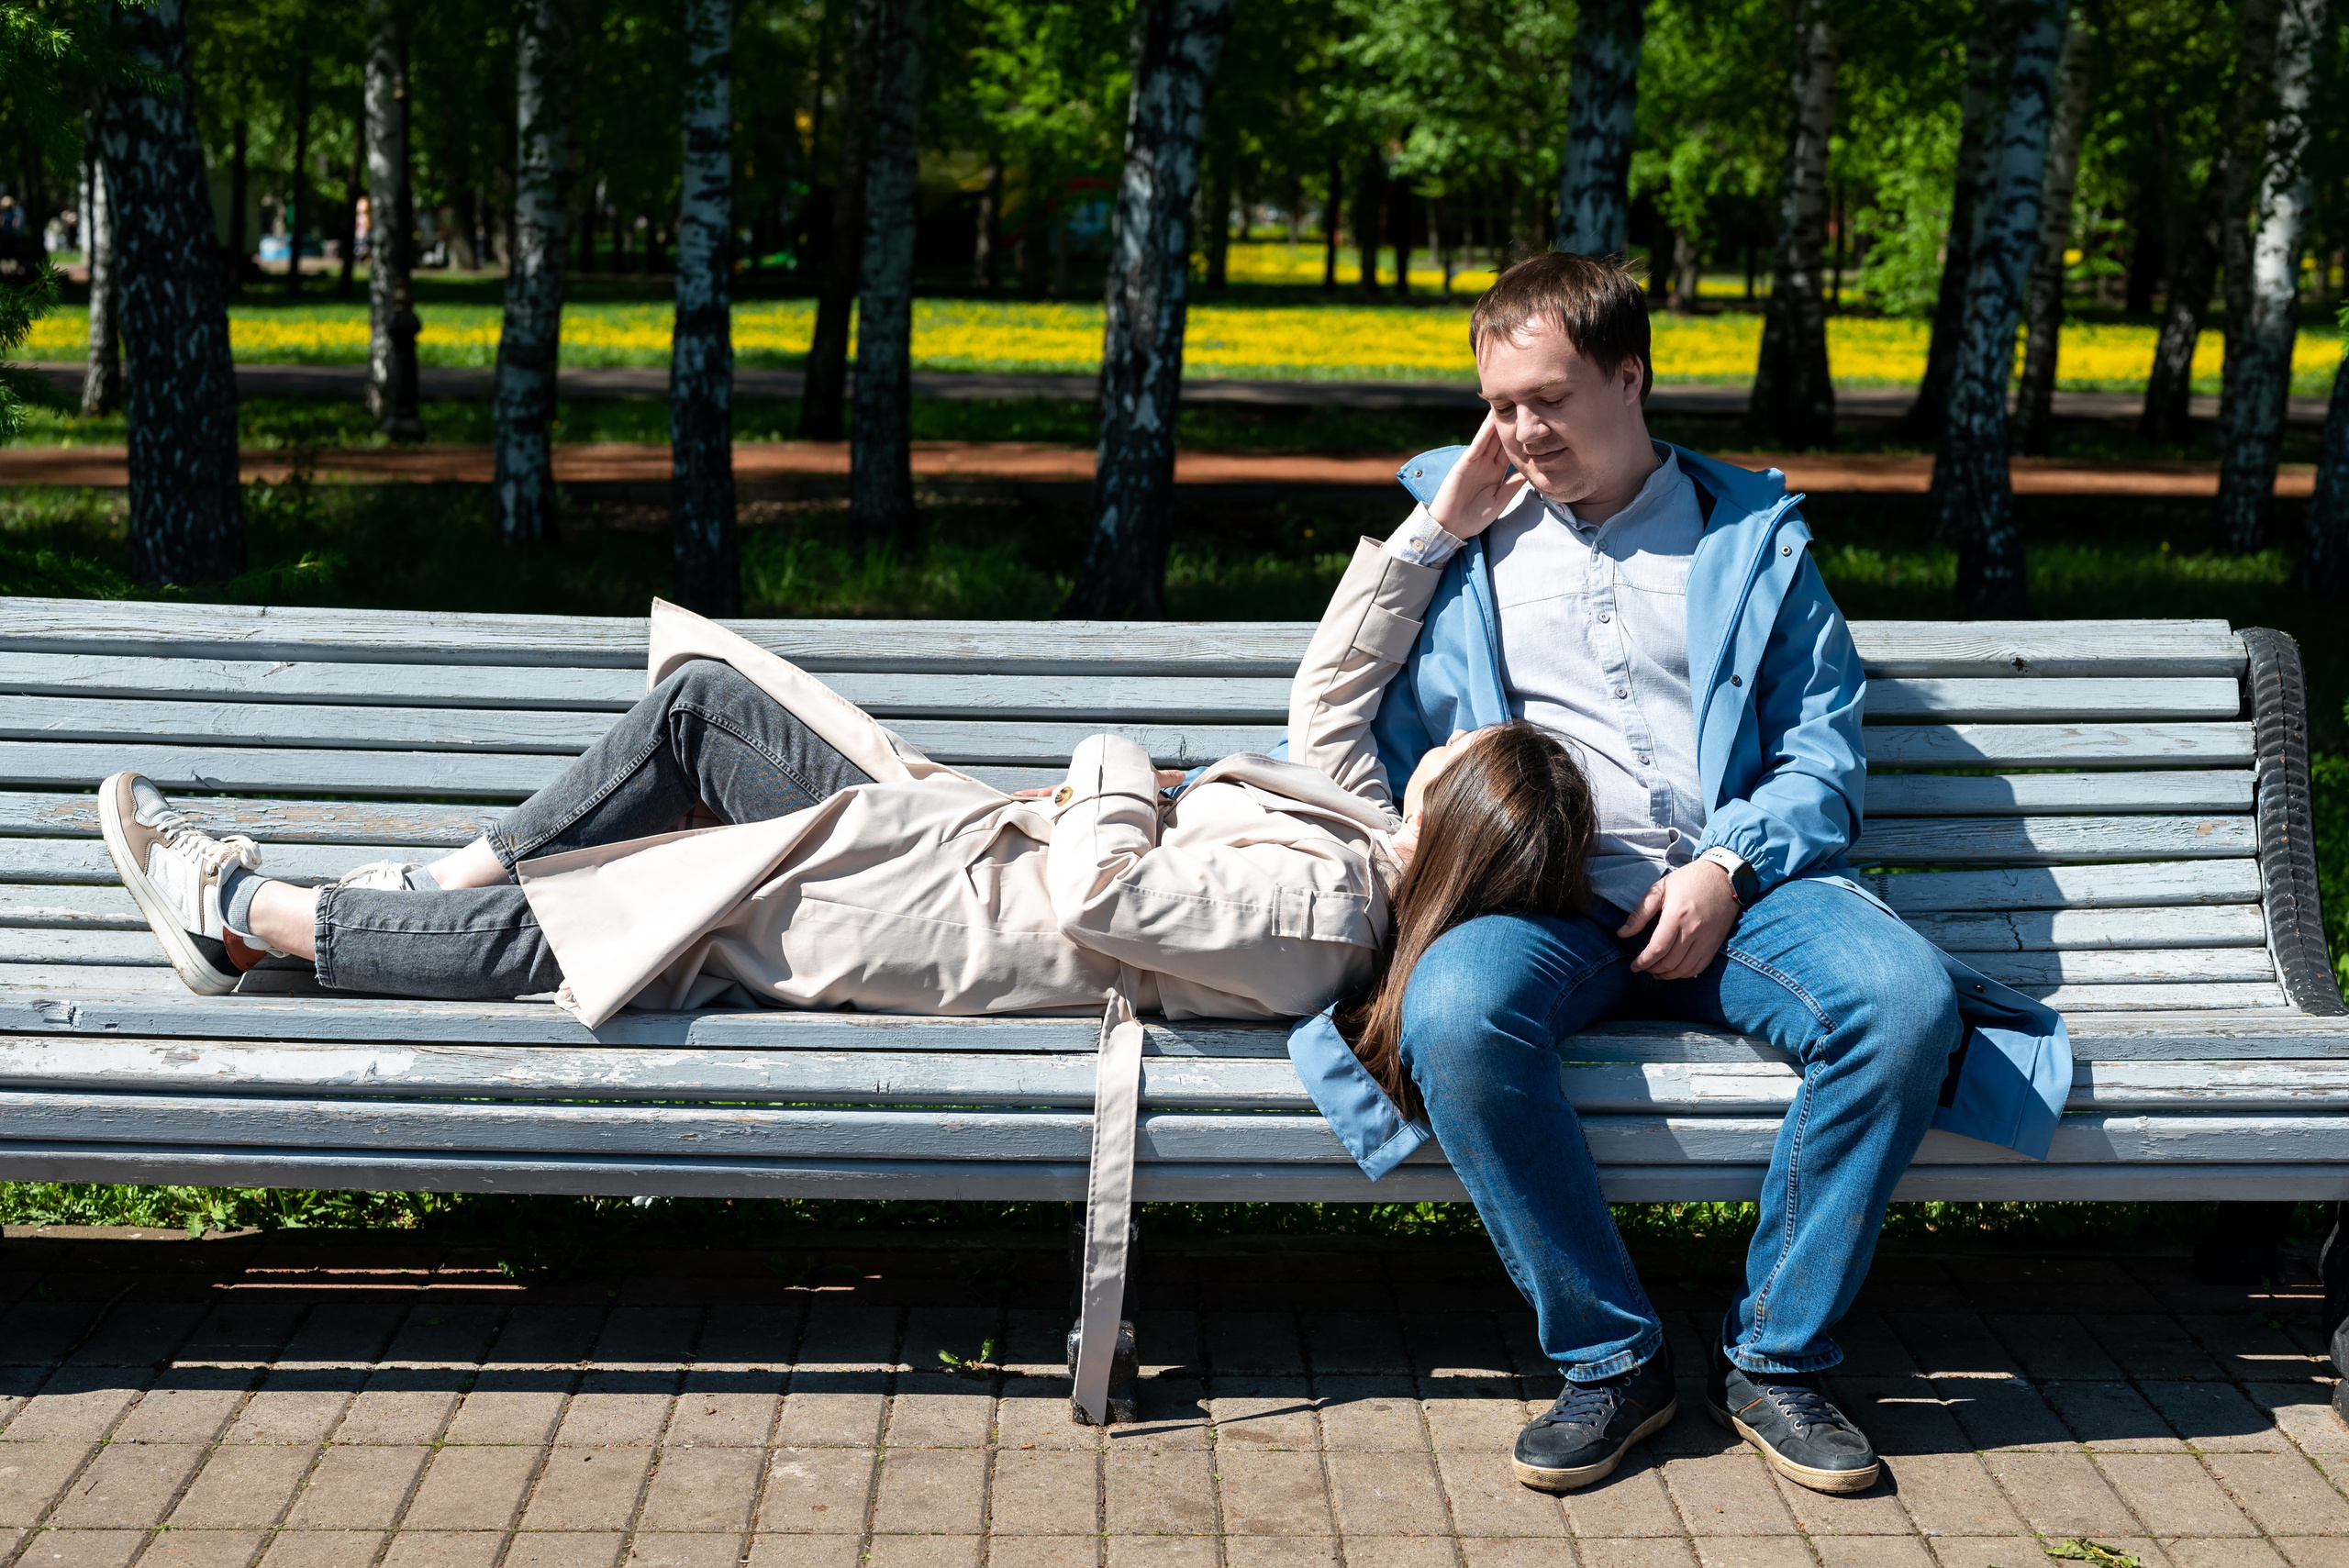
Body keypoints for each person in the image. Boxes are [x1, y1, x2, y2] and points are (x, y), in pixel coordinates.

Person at [1283, 250, 2070, 1497]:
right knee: (1451, 1009)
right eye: (1499, 404)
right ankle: (1610, 1357)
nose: (1521, 431)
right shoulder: (1466, 547)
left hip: (1745, 892)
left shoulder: (1748, 537)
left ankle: (1779, 1357)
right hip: (1543, 906)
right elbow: (1325, 714)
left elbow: (1822, 751)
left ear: (1631, 377)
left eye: (1549, 397)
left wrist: (1726, 863)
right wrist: (1436, 526)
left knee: (1902, 1000)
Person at [99, 600, 1584, 1038]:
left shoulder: (1328, 918)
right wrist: (1432, 529)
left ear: (1468, 825)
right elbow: (1333, 692)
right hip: (952, 840)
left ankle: (248, 921)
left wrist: (1120, 760)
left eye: (1473, 747)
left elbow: (1106, 902)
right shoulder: (1365, 834)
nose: (1443, 737)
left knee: (619, 921)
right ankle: (429, 872)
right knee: (698, 704)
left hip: (931, 912)